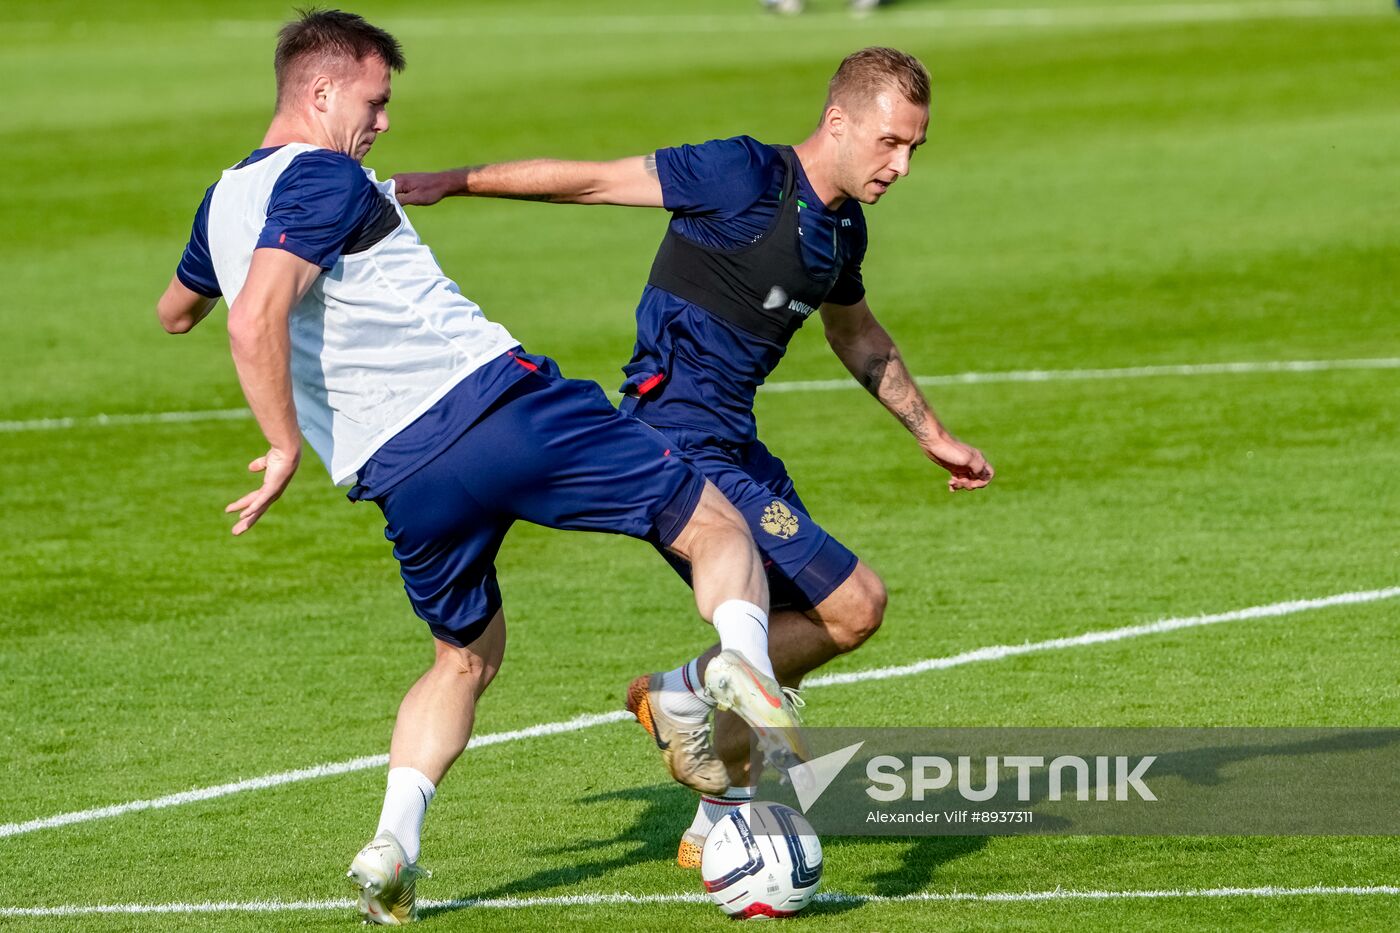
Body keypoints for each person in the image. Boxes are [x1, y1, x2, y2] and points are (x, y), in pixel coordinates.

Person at [154, 10, 804, 925]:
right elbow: (251, 315)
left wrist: (238, 291)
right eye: (375, 102)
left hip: (402, 476)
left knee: (464, 657)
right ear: (322, 91)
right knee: (717, 525)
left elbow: (178, 309)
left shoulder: (221, 203)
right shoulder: (325, 177)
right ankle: (740, 661)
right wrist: (284, 440)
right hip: (498, 409)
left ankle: (394, 843)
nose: (382, 122)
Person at [393, 46, 994, 869]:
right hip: (671, 440)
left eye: (914, 149)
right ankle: (684, 692)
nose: (902, 165)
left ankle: (718, 807)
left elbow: (855, 331)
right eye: (891, 142)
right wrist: (455, 180)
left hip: (734, 442)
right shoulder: (741, 174)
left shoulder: (843, 226)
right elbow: (594, 180)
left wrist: (933, 434)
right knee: (853, 603)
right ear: (839, 121)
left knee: (803, 635)